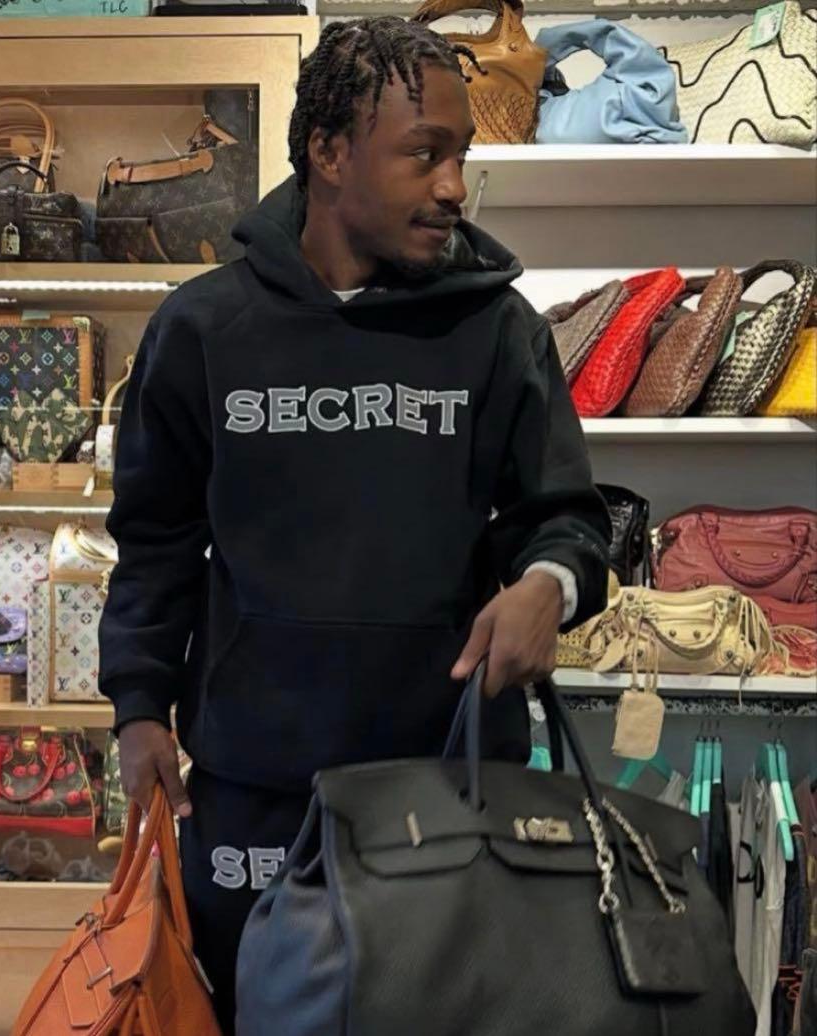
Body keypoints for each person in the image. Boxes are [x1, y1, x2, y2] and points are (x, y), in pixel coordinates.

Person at [98, 16, 610, 1033]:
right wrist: (139, 706)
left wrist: (546, 586)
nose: (455, 187)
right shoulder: (202, 329)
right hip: (253, 787)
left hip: (449, 786)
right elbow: (155, 540)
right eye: (425, 154)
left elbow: (566, 518)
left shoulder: (497, 330)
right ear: (330, 152)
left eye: (461, 155)